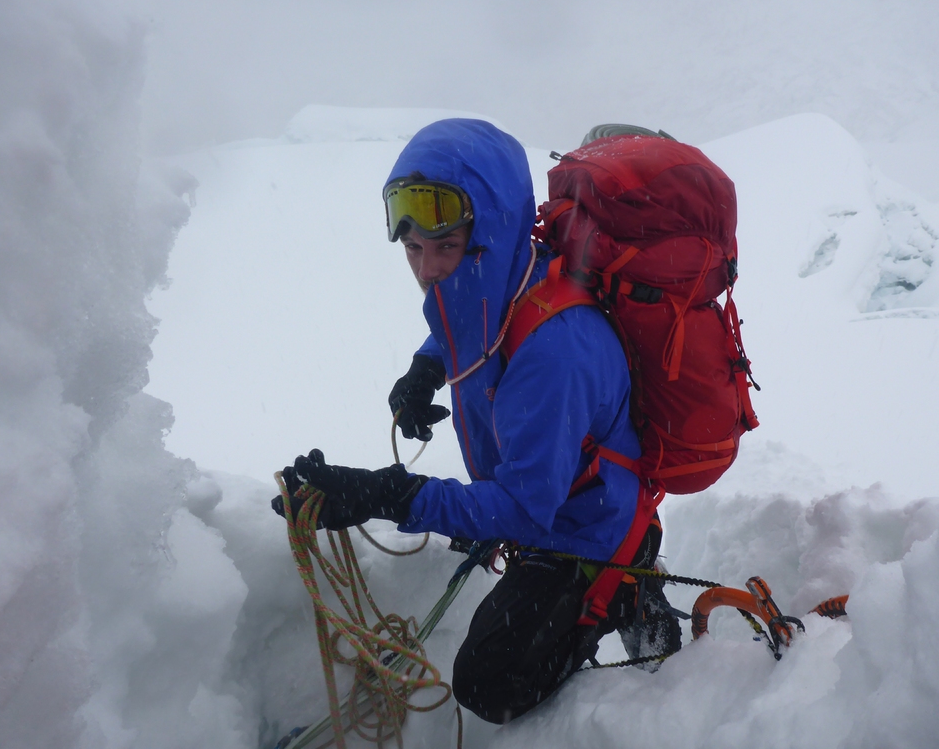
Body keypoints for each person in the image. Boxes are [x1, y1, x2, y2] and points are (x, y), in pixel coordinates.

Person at [273, 119, 677, 723]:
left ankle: (624, 587)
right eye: (412, 249)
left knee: (490, 683)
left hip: (583, 522)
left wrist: (389, 494)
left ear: (489, 234)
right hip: (544, 486)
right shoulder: (500, 273)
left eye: (443, 247)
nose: (427, 269)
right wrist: (424, 371)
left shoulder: (555, 352)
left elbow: (523, 507)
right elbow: (466, 322)